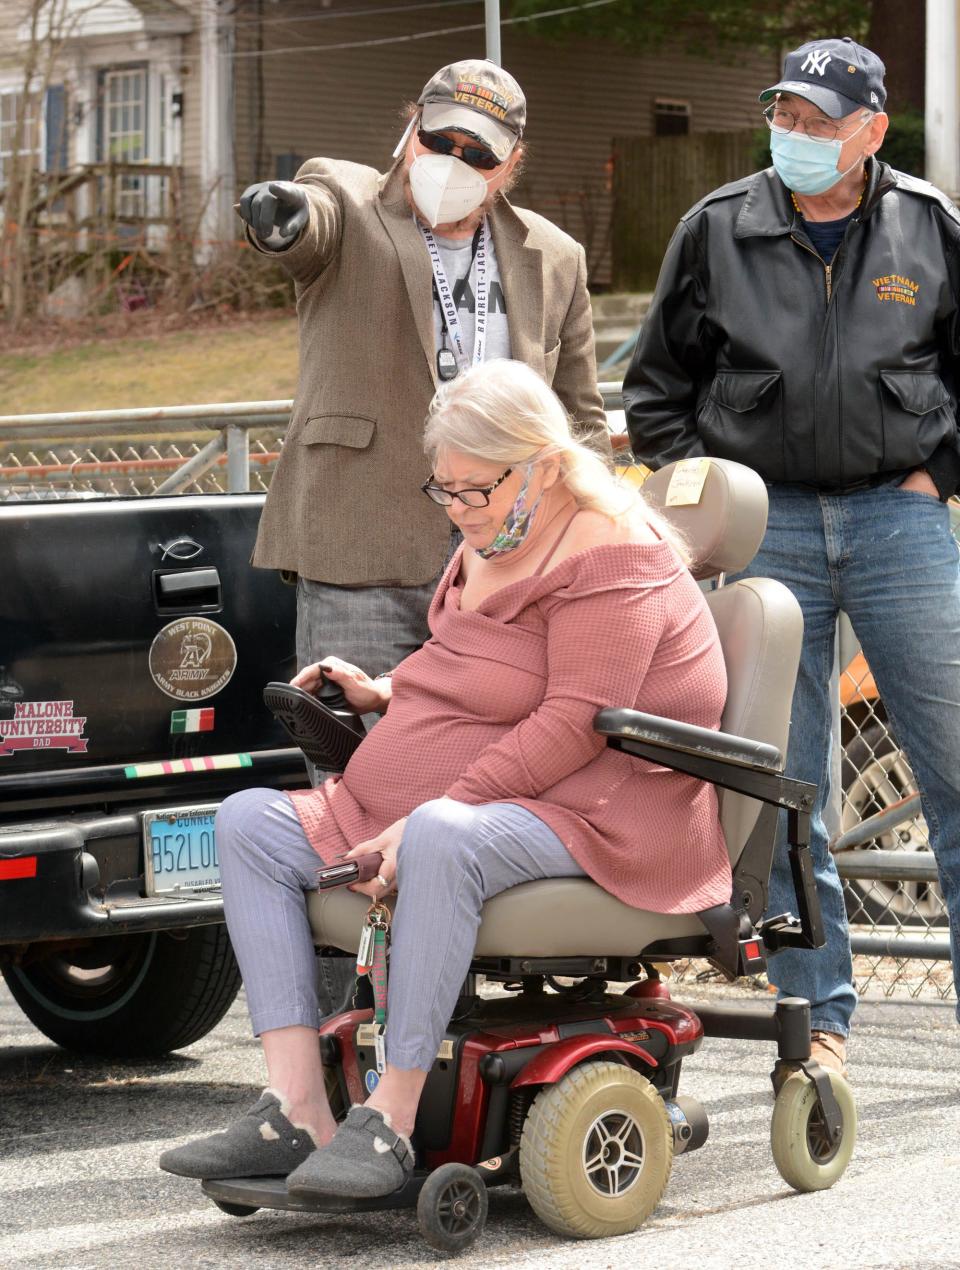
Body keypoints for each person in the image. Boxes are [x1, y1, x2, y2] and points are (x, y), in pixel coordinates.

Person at [159, 358, 730, 1199]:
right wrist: (388, 691)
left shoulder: (614, 556)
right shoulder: (494, 535)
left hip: (603, 809)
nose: (459, 510)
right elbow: (483, 665)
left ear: (540, 462)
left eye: (475, 490)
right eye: (445, 491)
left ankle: (389, 1120)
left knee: (437, 833)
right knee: (246, 821)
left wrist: (439, 806)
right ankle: (297, 1106)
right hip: (476, 799)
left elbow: (573, 724)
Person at [238, 58, 608, 1017]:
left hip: (499, 581)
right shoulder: (353, 200)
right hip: (359, 555)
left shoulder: (554, 257)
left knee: (468, 807)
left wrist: (590, 538)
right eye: (433, 137)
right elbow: (304, 221)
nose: (445, 159)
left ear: (509, 164)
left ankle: (449, 1030)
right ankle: (333, 1038)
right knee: (350, 802)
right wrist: (278, 213)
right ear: (410, 130)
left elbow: (580, 422)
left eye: (471, 150)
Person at [623, 35, 960, 1077]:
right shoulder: (717, 228)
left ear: (871, 130)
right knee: (784, 783)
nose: (797, 137)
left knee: (955, 766)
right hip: (767, 535)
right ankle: (817, 1023)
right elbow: (654, 395)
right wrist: (715, 506)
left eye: (820, 121)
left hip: (901, 525)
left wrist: (936, 476)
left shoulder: (931, 226)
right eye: (786, 116)